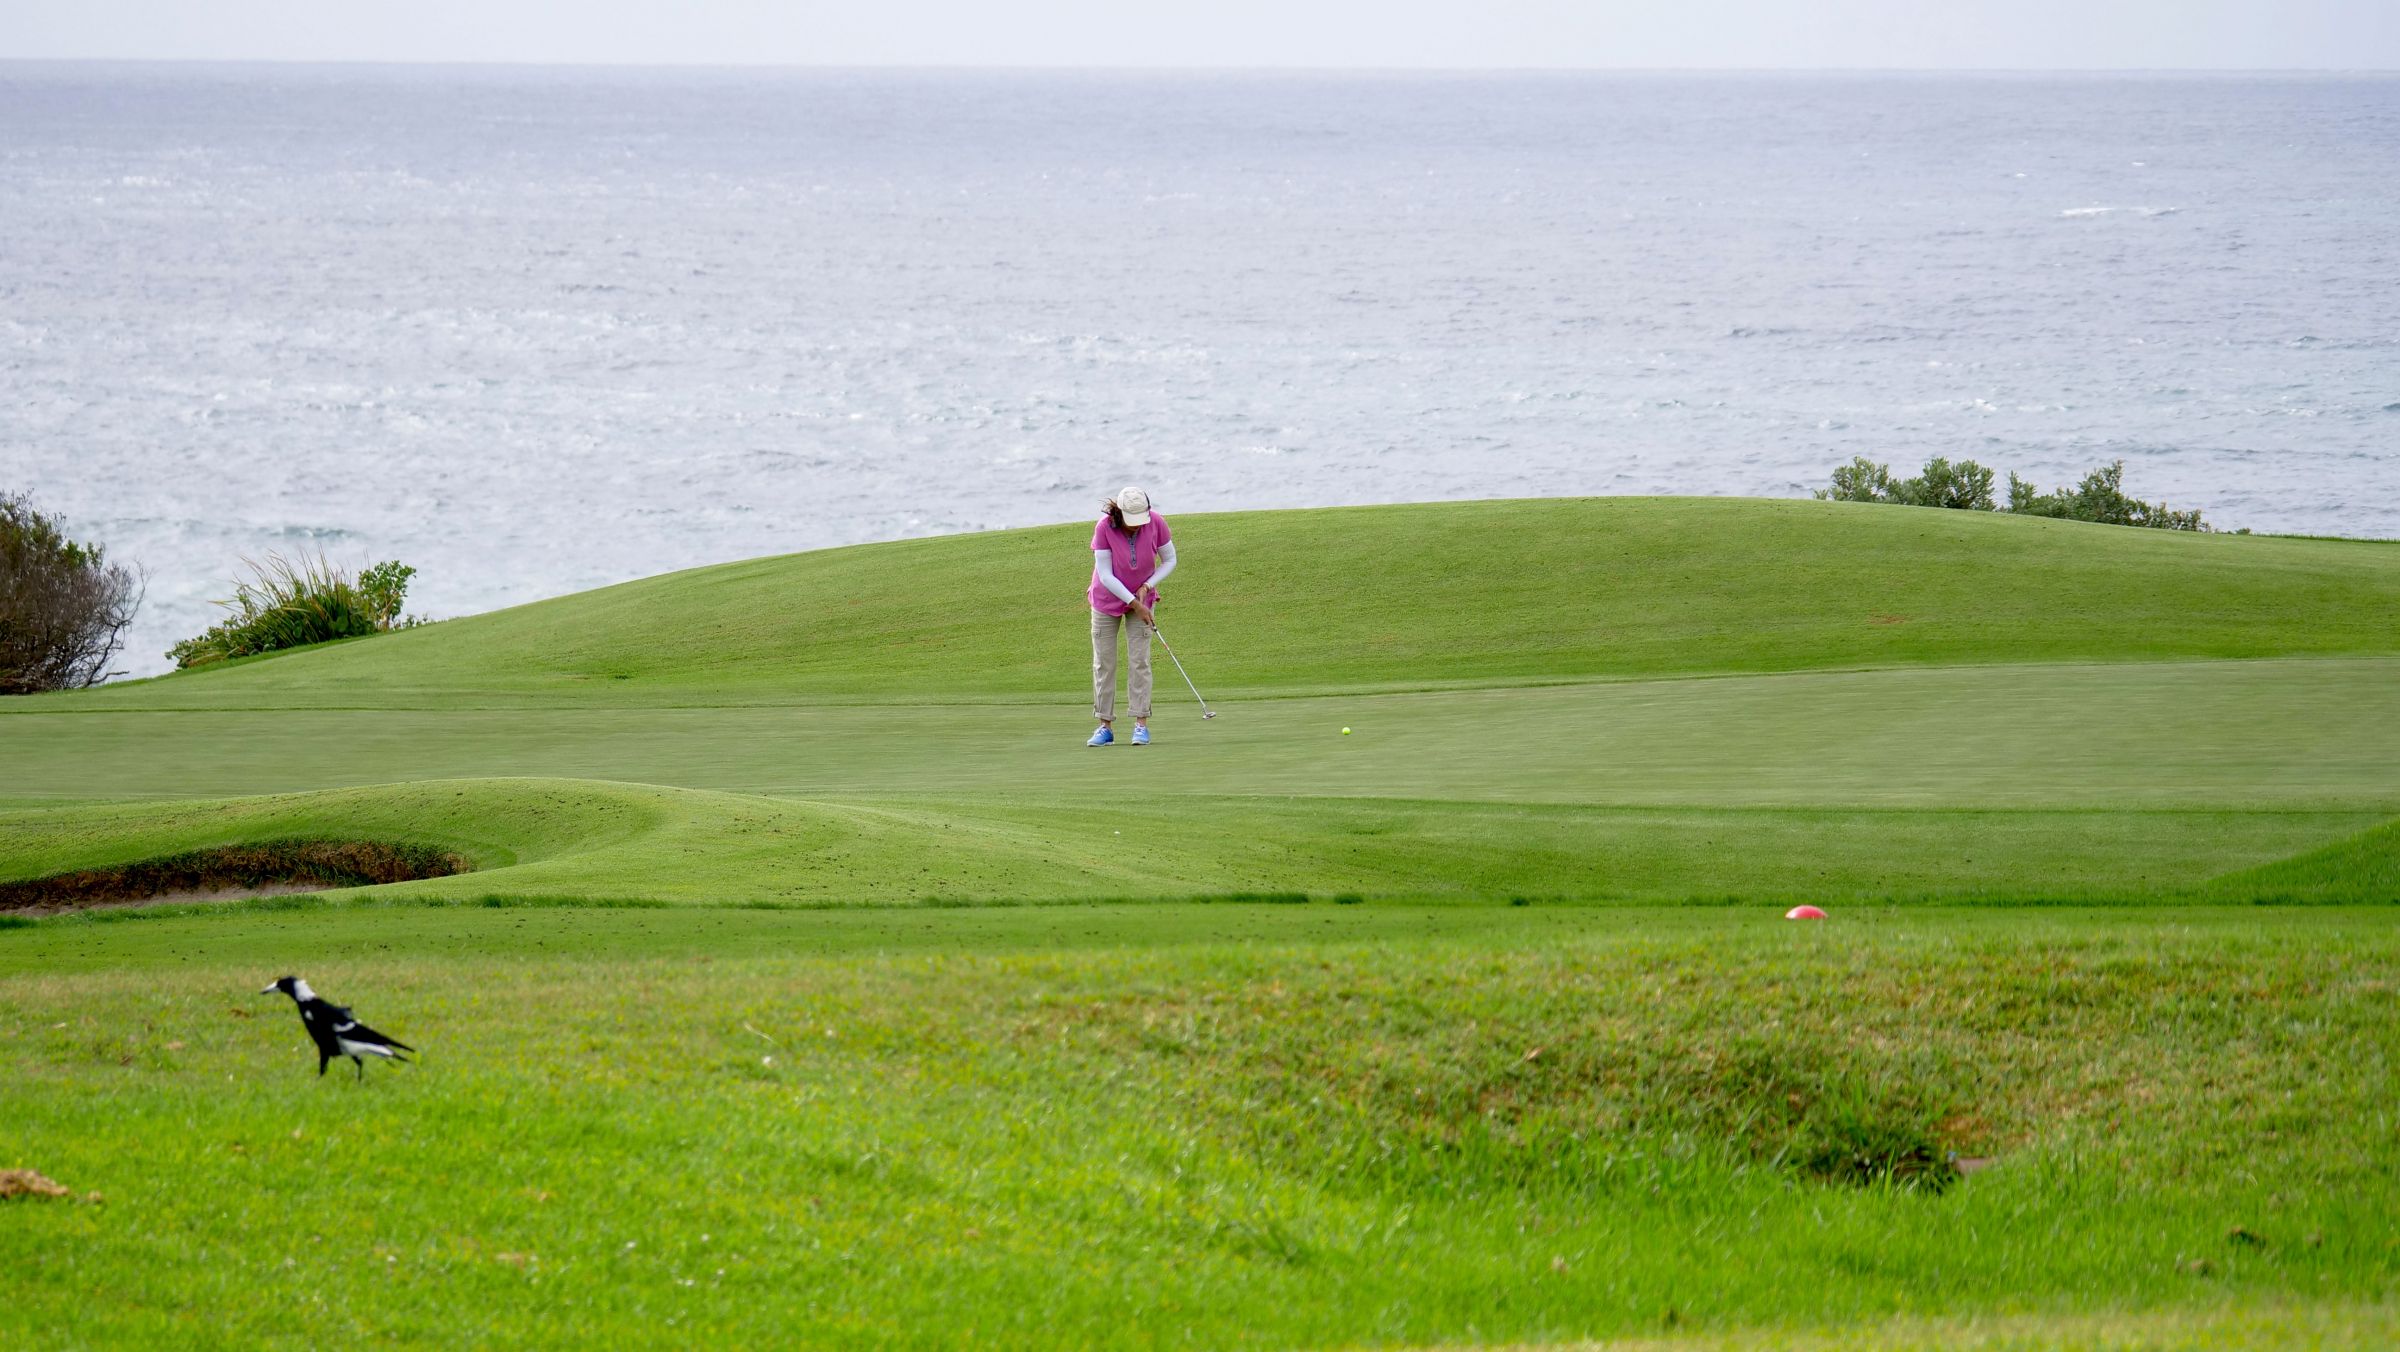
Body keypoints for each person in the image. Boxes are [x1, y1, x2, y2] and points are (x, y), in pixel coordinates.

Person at [1087, 485, 1176, 746]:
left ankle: (1140, 724)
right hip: (1106, 599)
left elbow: (1170, 560)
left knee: (1140, 660)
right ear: (1119, 513)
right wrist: (1133, 602)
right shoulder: (1104, 527)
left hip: (1142, 598)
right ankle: (1105, 726)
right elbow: (1105, 574)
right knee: (1104, 662)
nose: (1137, 526)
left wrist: (1147, 586)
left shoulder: (1156, 522)